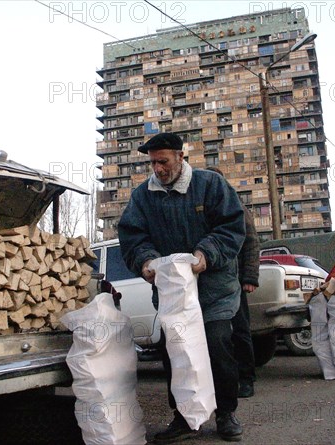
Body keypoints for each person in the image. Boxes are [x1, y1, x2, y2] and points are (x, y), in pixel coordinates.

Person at [118, 132, 246, 443]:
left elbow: (231, 226)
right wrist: (146, 262)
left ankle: (226, 413)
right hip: (172, 294)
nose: (158, 168)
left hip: (214, 289)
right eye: (152, 163)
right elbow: (133, 237)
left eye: (163, 161)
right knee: (174, 352)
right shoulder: (142, 196)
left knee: (217, 347)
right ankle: (185, 418)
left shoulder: (210, 185)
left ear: (180, 156)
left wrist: (206, 254)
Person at [206, 166, 260, 398]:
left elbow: (251, 242)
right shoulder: (202, 206)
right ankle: (218, 381)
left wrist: (249, 277)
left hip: (235, 280)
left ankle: (246, 378)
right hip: (209, 280)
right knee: (213, 333)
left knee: (239, 330)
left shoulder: (235, 205)